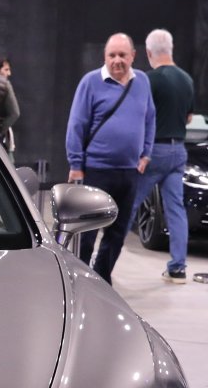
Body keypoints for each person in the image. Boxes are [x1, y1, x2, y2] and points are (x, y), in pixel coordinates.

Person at [64, 32, 156, 287]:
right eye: (112, 55)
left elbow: (150, 118)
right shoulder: (90, 82)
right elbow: (76, 125)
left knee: (118, 233)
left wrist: (146, 153)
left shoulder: (143, 82)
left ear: (133, 56)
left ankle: (100, 281)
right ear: (104, 57)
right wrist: (76, 165)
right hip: (95, 171)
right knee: (87, 233)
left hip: (129, 172)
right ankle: (79, 281)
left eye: (122, 55)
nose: (117, 60)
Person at [136, 29, 196, 284]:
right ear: (170, 49)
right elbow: (189, 118)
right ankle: (178, 268)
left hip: (153, 151)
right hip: (178, 150)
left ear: (149, 53)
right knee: (176, 209)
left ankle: (104, 262)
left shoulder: (148, 80)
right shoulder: (187, 80)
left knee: (129, 204)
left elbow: (138, 115)